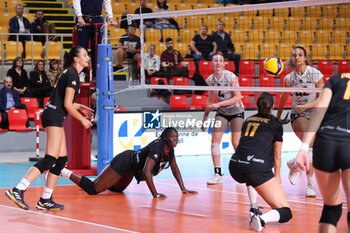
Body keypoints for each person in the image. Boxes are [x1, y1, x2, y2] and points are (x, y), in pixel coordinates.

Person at [5, 46, 94, 210]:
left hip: (54, 115)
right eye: (85, 54)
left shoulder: (71, 73)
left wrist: (79, 106)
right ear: (76, 58)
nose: (88, 57)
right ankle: (18, 189)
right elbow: (67, 104)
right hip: (53, 116)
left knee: (61, 160)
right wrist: (82, 120)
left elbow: (63, 100)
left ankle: (45, 199)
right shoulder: (73, 74)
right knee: (50, 159)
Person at [59, 127, 198, 198]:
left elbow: (175, 169)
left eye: (177, 137)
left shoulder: (170, 150)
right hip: (125, 161)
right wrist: (155, 193)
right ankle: (63, 171)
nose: (176, 139)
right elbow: (146, 171)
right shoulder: (157, 146)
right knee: (93, 189)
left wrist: (183, 189)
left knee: (117, 190)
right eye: (173, 137)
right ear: (165, 138)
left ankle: (100, 180)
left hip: (132, 169)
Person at [295, 72, 350, 233]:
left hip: (325, 143)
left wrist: (304, 147)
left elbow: (319, 111)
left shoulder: (336, 78)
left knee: (331, 208)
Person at [229, 92, 292, 232]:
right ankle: (262, 219)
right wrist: (277, 175)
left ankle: (254, 207)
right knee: (286, 212)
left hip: (234, 166)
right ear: (273, 107)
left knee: (249, 170)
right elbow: (277, 156)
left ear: (256, 105)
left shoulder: (248, 120)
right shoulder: (276, 125)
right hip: (255, 170)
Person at [277, 46, 324, 198]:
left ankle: (294, 164)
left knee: (316, 148)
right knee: (308, 143)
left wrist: (305, 106)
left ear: (305, 58)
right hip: (297, 115)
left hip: (314, 112)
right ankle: (310, 185)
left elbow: (322, 97)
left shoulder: (315, 74)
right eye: (294, 55)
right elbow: (283, 97)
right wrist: (278, 117)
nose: (297, 57)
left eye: (300, 55)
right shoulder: (289, 78)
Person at [201, 53, 244, 185]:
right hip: (222, 112)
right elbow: (209, 100)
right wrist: (205, 118)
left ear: (224, 63)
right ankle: (218, 174)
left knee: (236, 142)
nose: (218, 63)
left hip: (236, 111)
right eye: (215, 61)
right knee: (215, 140)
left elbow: (238, 97)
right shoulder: (210, 80)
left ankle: (243, 169)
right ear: (212, 64)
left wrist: (219, 104)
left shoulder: (231, 76)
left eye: (220, 61)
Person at [73, 0, 116, 78]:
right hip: (84, 18)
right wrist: (79, 16)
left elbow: (107, 2)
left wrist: (110, 17)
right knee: (82, 47)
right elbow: (76, 1)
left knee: (96, 48)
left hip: (97, 18)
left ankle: (96, 74)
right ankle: (81, 73)